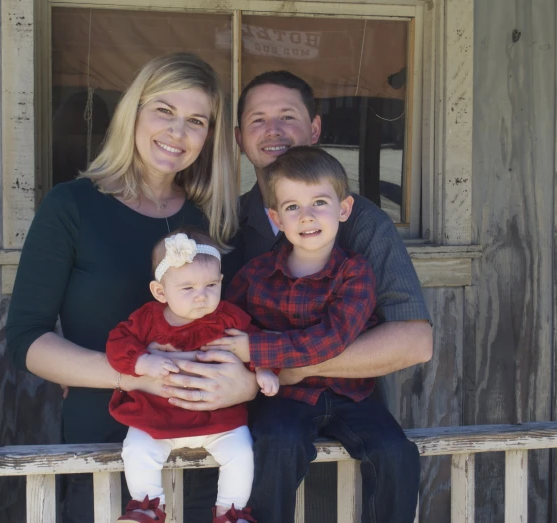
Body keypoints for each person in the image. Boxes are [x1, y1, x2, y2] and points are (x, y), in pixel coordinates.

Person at [161, 71, 433, 521]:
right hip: (235, 430)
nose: (274, 131)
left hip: (346, 415)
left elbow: (415, 341)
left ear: (315, 130)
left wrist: (273, 366)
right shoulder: (220, 221)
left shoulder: (360, 224)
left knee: (380, 466)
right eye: (258, 120)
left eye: (288, 116)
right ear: (239, 138)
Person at [5, 53, 244, 523]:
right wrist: (132, 375)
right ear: (133, 111)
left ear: (209, 136)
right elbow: (26, 340)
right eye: (164, 111)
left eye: (196, 120)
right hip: (103, 441)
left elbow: (239, 331)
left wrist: (247, 385)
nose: (177, 132)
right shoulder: (71, 206)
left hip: (206, 448)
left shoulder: (208, 220)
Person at [222, 146, 419, 523]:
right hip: (285, 395)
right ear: (276, 217)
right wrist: (249, 356)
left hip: (351, 393)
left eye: (319, 202)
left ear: (343, 210)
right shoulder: (257, 273)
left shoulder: (355, 272)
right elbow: (231, 320)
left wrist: (257, 348)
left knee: (396, 453)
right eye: (292, 207)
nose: (307, 216)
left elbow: (334, 337)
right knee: (276, 442)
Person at [106, 229, 276, 523]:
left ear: (222, 282)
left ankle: (230, 512)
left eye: (211, 285)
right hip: (157, 416)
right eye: (188, 289)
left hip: (219, 419)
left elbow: (255, 343)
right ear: (161, 292)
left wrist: (263, 369)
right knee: (137, 447)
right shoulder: (147, 319)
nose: (202, 296)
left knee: (241, 451)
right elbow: (117, 344)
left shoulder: (229, 317)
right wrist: (143, 361)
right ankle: (145, 507)